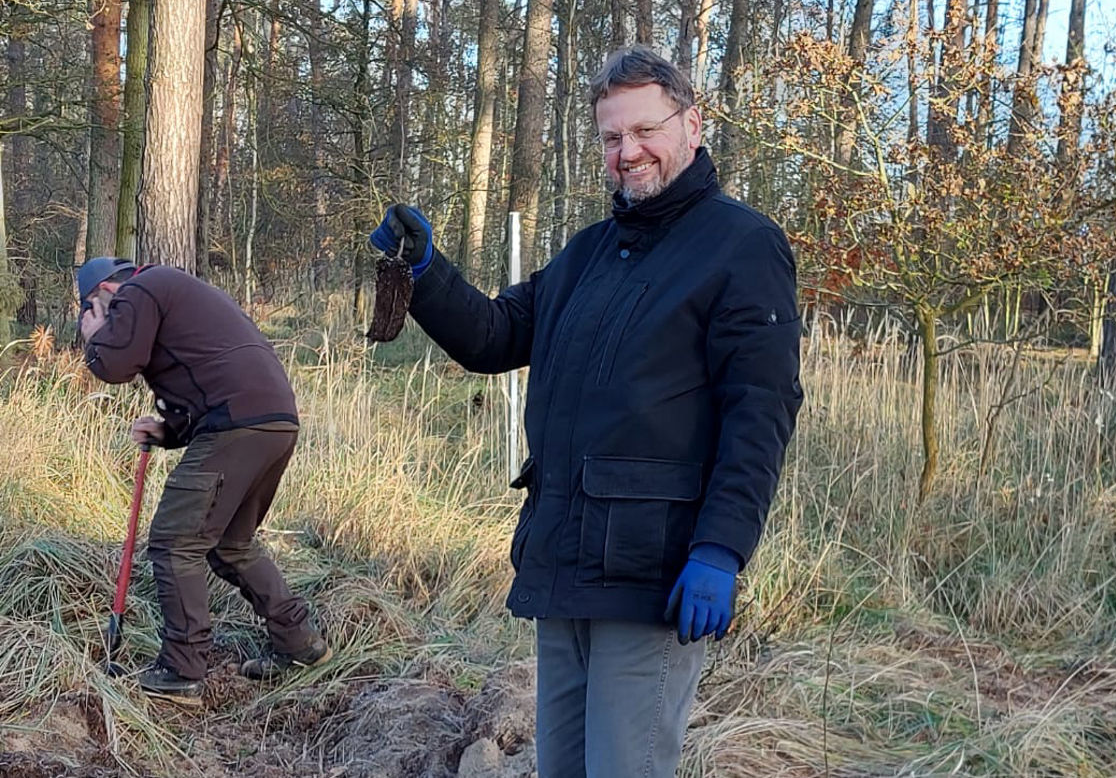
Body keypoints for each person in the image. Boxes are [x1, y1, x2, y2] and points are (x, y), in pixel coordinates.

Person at [369, 45, 802, 776]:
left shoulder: (742, 247)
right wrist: (424, 271)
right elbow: (495, 336)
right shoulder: (590, 253)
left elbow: (759, 409)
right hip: (564, 556)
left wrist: (720, 550)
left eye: (644, 131)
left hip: (654, 572)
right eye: (610, 138)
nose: (626, 152)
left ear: (691, 126)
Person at [76, 256, 330, 706]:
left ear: (105, 294)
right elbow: (204, 382)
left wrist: (95, 339)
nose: (102, 320)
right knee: (233, 544)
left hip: (236, 424)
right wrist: (166, 429)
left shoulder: (139, 290)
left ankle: (182, 668)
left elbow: (115, 364)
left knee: (175, 541)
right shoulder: (171, 289)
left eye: (94, 309)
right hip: (273, 422)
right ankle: (298, 643)